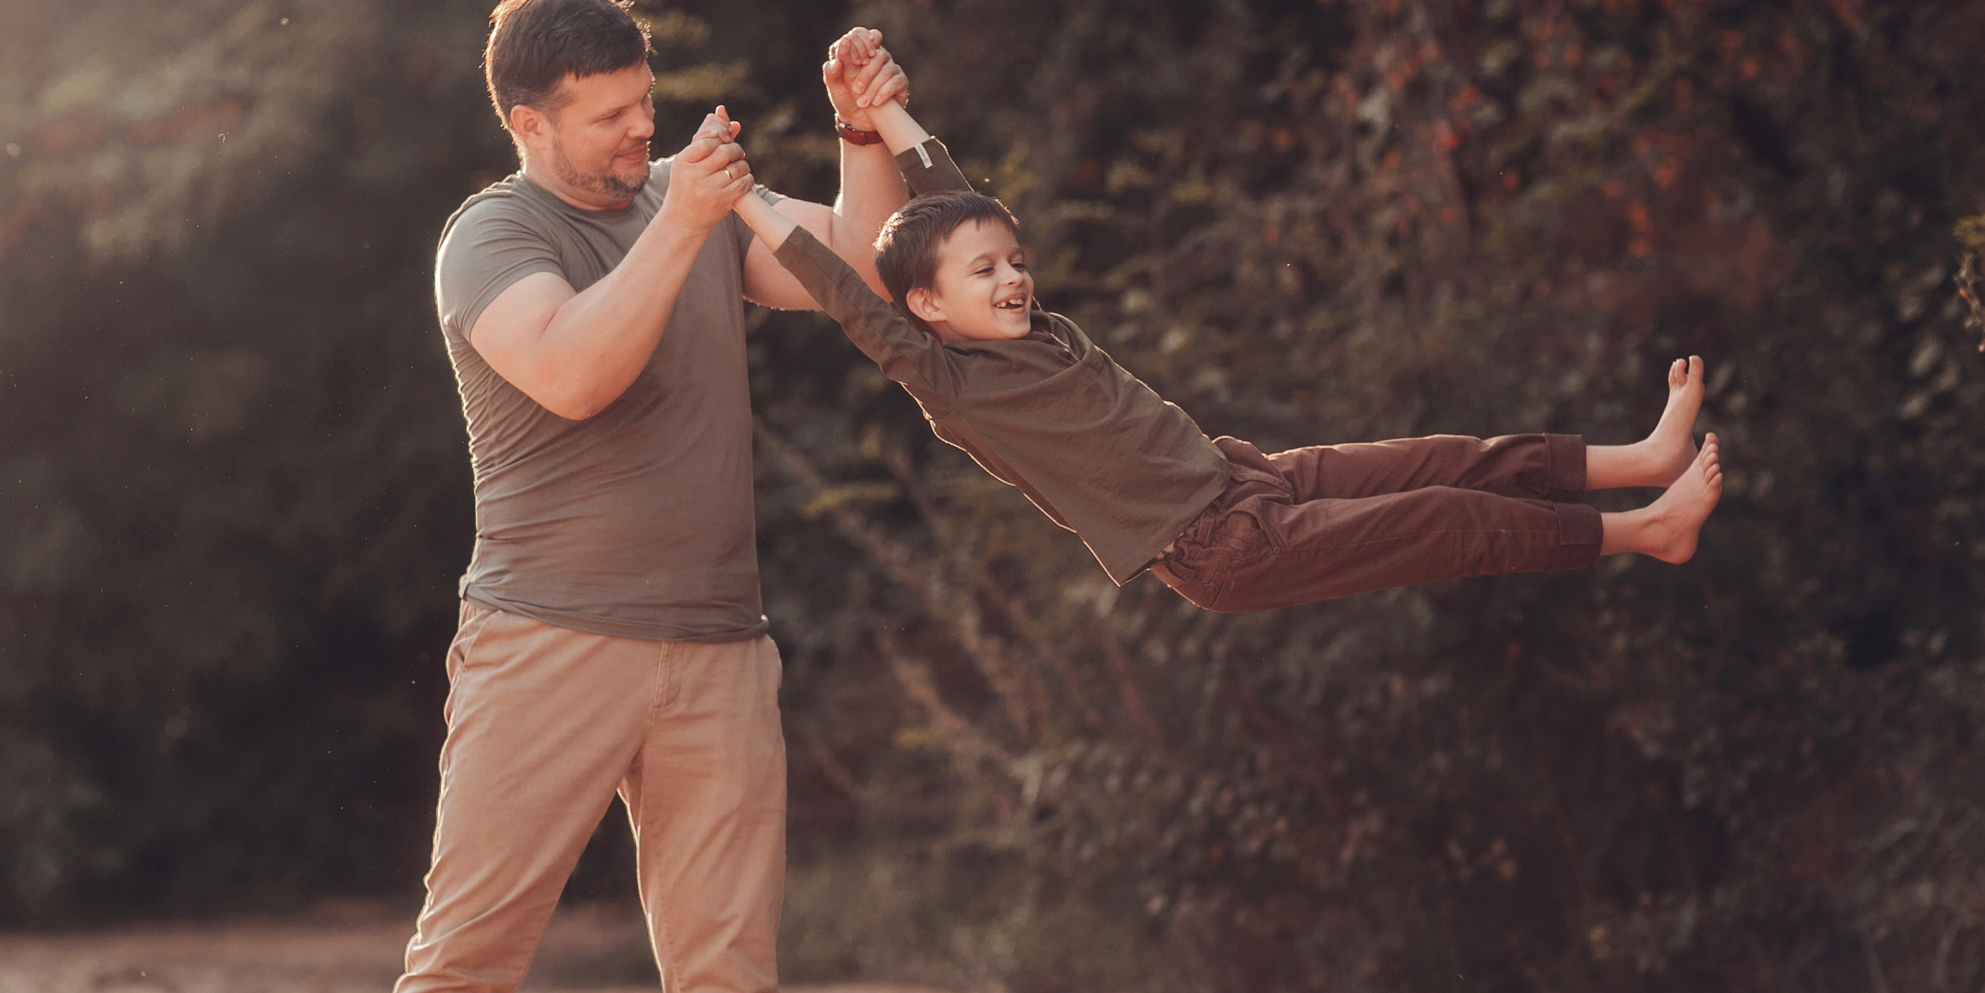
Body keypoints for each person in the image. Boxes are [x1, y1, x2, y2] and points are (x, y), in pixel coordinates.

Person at [344, 0, 911, 993]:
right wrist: (687, 222)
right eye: (605, 116)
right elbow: (578, 371)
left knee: (730, 971)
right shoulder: (488, 238)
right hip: (543, 641)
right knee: (467, 952)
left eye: (642, 105)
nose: (632, 135)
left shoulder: (688, 195)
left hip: (718, 644)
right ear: (528, 122)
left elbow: (869, 277)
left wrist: (864, 137)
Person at [717, 85, 1723, 613]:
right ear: (926, 308)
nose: (1011, 278)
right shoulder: (950, 382)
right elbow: (849, 296)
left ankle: (1637, 462)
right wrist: (746, 198)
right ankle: (1645, 531)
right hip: (1219, 550)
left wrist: (887, 113)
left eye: (1011, 259)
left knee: (1448, 457)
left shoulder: (1035, 327)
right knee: (1442, 516)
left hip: (1244, 477)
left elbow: (949, 201)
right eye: (981, 276)